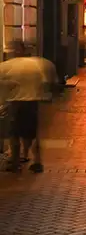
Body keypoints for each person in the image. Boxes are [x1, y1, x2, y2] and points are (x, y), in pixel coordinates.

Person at [0, 41, 58, 173]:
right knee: (32, 134)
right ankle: (37, 161)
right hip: (32, 102)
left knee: (14, 133)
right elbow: (48, 82)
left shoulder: (8, 66)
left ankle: (15, 162)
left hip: (15, 102)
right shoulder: (37, 64)